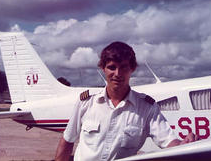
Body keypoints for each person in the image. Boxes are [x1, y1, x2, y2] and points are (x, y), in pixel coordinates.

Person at [55, 41, 199, 161]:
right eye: (112, 67)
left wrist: (183, 144)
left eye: (123, 67)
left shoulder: (147, 107)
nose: (117, 74)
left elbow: (168, 141)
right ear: (103, 68)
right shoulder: (86, 102)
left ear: (132, 69)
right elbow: (67, 141)